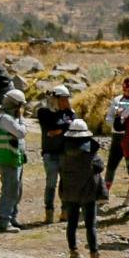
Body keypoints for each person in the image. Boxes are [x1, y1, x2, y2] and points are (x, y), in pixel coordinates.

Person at [57, 118, 104, 258]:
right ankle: (94, 254)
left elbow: (61, 169)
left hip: (69, 191)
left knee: (72, 223)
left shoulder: (63, 150)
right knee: (90, 225)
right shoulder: (90, 150)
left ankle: (73, 252)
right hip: (88, 192)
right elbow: (100, 166)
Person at [37, 85, 74, 224]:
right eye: (63, 99)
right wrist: (62, 128)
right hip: (50, 153)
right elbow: (51, 128)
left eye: (66, 99)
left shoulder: (69, 112)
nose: (66, 102)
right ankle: (49, 212)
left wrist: (61, 129)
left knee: (65, 183)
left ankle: (65, 211)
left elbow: (72, 126)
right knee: (51, 183)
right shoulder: (43, 112)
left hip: (65, 153)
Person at [0, 88, 27, 232]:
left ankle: (12, 217)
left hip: (13, 158)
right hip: (8, 158)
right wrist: (22, 120)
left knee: (16, 190)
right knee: (9, 191)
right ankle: (4, 221)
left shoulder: (5, 116)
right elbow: (21, 132)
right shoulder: (5, 118)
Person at [102, 78, 129, 203]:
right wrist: (117, 121)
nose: (128, 91)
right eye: (126, 89)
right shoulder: (117, 100)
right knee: (111, 165)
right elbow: (109, 117)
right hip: (117, 136)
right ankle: (104, 193)